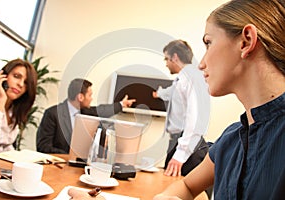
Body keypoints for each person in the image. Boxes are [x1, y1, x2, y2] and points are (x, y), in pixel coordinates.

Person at [153, 0, 285, 199]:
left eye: (208, 43)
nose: (202, 64)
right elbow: (187, 187)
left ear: (246, 41)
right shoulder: (230, 140)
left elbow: (193, 119)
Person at [152, 40, 210, 177]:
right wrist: (158, 94)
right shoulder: (182, 79)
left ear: (175, 57)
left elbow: (194, 118)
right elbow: (171, 92)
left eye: (166, 59)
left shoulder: (192, 78)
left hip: (189, 147)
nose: (166, 63)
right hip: (178, 143)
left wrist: (180, 155)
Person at [36, 78, 136, 154]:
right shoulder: (52, 114)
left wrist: (122, 104)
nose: (91, 99)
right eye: (90, 95)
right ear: (80, 97)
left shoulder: (85, 112)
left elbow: (103, 110)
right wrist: (69, 155)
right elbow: (43, 147)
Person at [0, 59, 37, 155]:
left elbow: (5, 146)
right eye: (16, 76)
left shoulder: (14, 109)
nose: (20, 84)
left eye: (26, 82)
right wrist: (0, 100)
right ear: (2, 76)